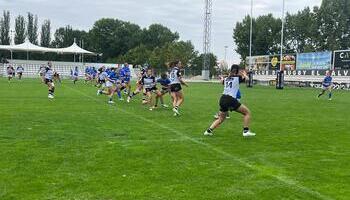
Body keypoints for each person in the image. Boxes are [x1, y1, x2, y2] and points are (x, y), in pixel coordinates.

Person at [204, 64, 256, 137]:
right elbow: (247, 79)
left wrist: (223, 78)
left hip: (222, 99)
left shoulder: (227, 78)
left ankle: (208, 131)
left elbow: (221, 82)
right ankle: (246, 131)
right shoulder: (237, 77)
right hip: (230, 99)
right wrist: (244, 74)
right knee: (247, 113)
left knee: (221, 118)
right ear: (237, 71)